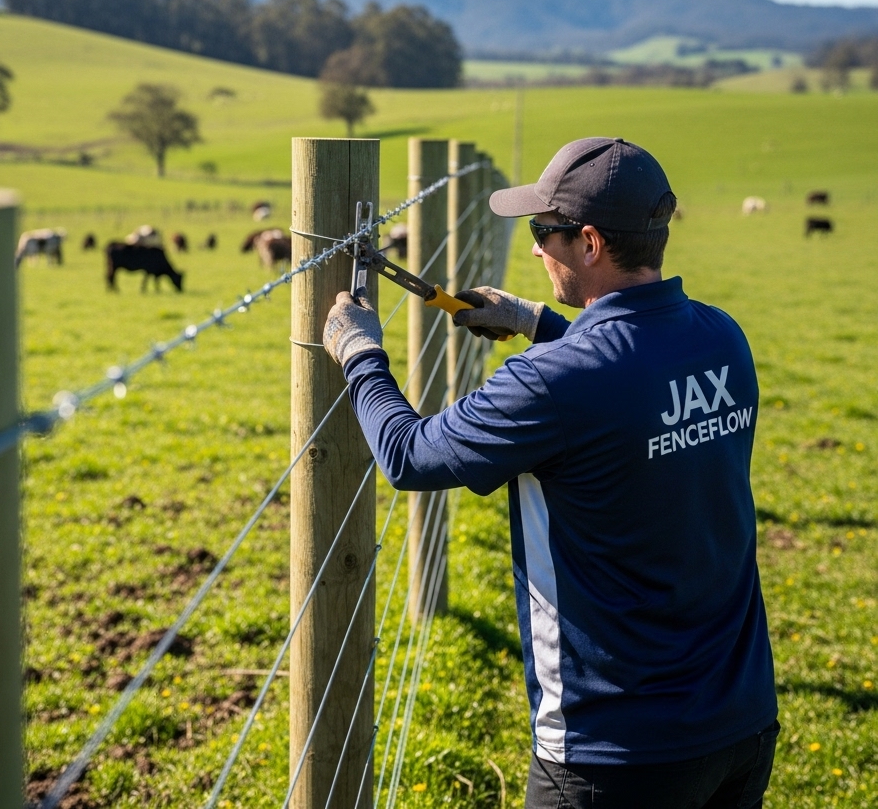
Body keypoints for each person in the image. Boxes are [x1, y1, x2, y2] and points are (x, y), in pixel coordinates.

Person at [322, 137, 778, 809]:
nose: (535, 247)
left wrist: (359, 352)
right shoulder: (721, 337)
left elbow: (410, 455)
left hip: (613, 755)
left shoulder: (552, 385)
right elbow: (624, 379)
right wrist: (533, 320)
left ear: (589, 244)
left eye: (544, 231)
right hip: (741, 723)